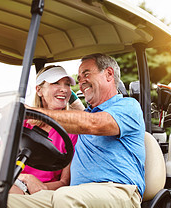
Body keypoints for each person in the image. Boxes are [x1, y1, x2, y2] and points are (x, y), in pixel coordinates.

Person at [8, 53, 145, 208]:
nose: (81, 83)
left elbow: (93, 124)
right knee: (7, 201)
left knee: (66, 197)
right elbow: (75, 108)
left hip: (118, 190)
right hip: (78, 193)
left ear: (108, 74)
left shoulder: (128, 106)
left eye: (86, 74)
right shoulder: (85, 114)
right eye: (79, 79)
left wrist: (27, 110)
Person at [10, 65, 84, 195]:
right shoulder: (23, 125)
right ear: (39, 90)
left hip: (43, 192)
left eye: (67, 85)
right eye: (55, 83)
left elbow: (64, 182)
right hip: (16, 182)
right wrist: (25, 178)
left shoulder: (72, 132)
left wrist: (40, 187)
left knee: (4, 192)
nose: (64, 89)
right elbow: (0, 169)